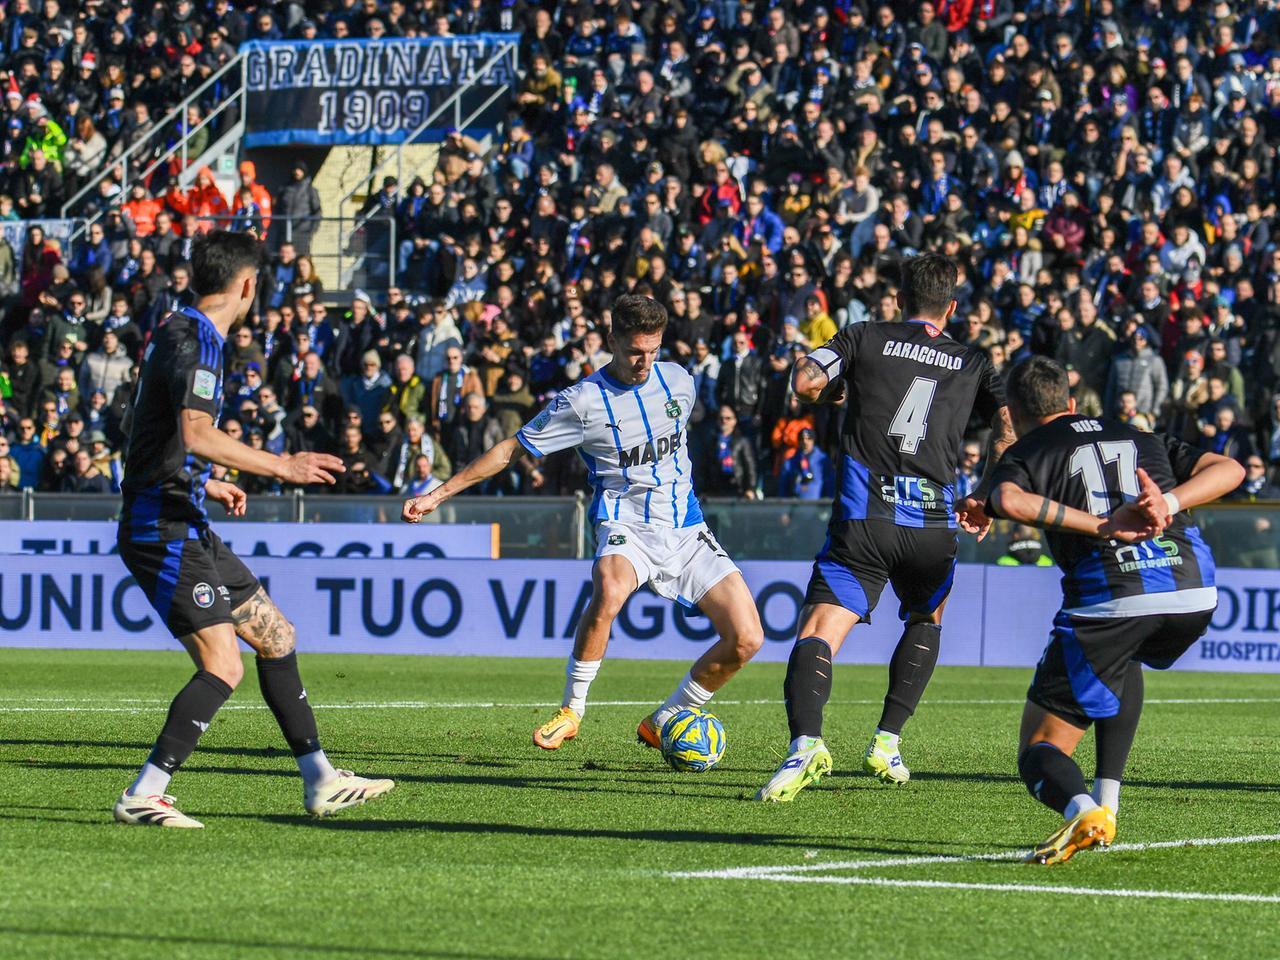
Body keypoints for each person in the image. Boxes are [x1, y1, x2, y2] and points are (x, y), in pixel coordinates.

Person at [113, 231, 393, 829]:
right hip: (160, 529)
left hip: (182, 514)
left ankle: (320, 780)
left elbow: (152, 431)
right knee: (224, 665)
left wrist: (203, 484)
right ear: (247, 284)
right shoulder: (197, 341)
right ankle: (145, 792)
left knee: (277, 635)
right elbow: (196, 432)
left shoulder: (177, 328)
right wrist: (283, 465)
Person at [401, 294, 765, 751]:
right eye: (635, 351)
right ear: (612, 339)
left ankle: (667, 717)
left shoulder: (679, 382)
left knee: (747, 638)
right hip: (624, 523)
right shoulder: (583, 402)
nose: (644, 362)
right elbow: (510, 450)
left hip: (686, 528)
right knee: (610, 588)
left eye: (653, 350)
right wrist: (437, 494)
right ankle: (572, 708)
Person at [757, 253, 1014, 801]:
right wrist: (986, 497)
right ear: (951, 306)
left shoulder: (863, 336)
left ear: (897, 300)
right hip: (932, 523)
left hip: (865, 518)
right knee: (927, 616)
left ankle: (805, 747)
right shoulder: (972, 360)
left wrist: (834, 392)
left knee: (818, 632)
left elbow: (804, 383)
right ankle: (887, 741)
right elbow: (1009, 428)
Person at [983, 356, 1241, 864]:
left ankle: (1083, 812)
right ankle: (1108, 800)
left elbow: (1010, 502)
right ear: (1073, 403)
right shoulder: (1137, 433)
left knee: (1040, 749)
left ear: (1013, 411)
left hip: (1113, 596)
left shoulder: (1029, 449)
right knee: (1127, 660)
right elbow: (1229, 468)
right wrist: (1167, 502)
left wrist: (1102, 526)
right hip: (1195, 589)